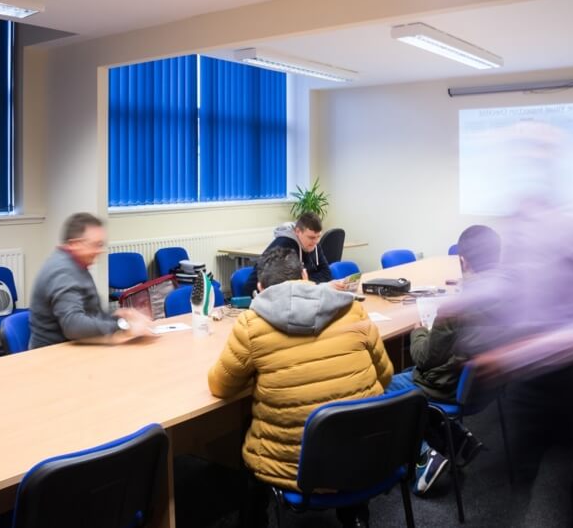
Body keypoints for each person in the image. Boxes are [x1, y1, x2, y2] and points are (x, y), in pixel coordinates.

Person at [208, 245, 393, 528]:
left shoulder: (251, 324)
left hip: (294, 466)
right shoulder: (353, 310)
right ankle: (354, 515)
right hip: (363, 452)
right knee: (352, 414)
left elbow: (221, 386)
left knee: (247, 440)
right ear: (305, 275)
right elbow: (386, 375)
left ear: (260, 287)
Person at [386, 224, 502, 495]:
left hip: (449, 386)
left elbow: (424, 359)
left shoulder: (455, 307)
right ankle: (458, 439)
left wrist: (418, 331)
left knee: (384, 385)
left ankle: (425, 457)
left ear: (462, 260)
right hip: (486, 385)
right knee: (412, 380)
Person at [29, 212, 155, 349]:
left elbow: (91, 314)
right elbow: (73, 326)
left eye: (101, 245)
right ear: (74, 244)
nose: (100, 251)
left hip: (76, 346)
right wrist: (124, 326)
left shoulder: (76, 264)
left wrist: (119, 317)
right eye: (96, 245)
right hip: (52, 354)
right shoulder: (63, 272)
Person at [242, 211, 332, 297]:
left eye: (318, 237)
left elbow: (326, 274)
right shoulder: (284, 245)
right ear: (297, 232)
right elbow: (283, 285)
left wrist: (306, 281)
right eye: (311, 237)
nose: (315, 241)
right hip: (259, 298)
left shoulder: (313, 244)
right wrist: (306, 282)